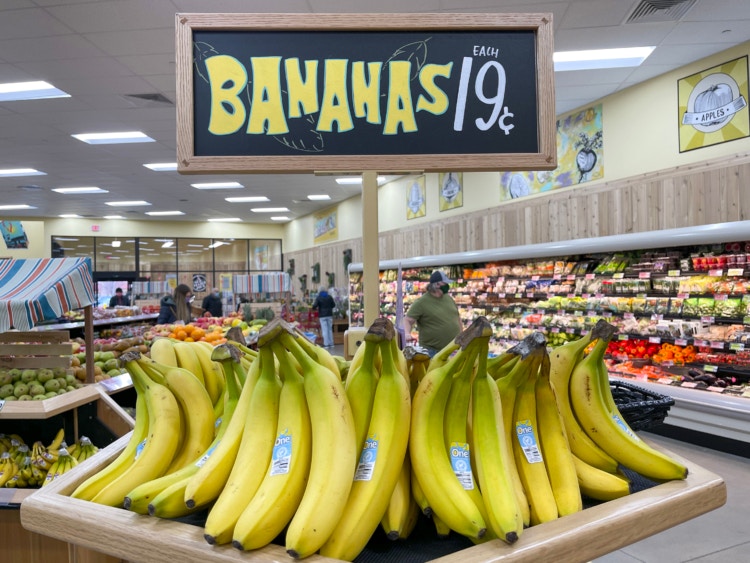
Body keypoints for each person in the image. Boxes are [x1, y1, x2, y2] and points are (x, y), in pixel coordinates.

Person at [403, 270, 462, 357]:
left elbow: (457, 317)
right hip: (432, 352)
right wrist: (407, 334)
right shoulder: (421, 302)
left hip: (453, 350)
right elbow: (407, 320)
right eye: (445, 283)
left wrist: (462, 335)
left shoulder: (448, 298)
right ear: (437, 285)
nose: (447, 286)